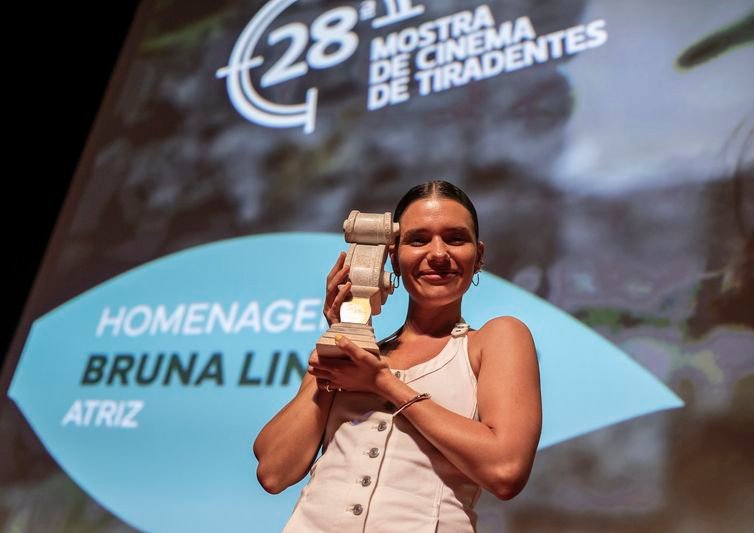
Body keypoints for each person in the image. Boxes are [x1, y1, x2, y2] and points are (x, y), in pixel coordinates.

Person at [253, 180, 542, 532]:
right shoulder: (359, 352)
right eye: (419, 240)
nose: (438, 254)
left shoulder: (495, 339)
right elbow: (273, 471)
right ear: (392, 256)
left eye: (454, 238)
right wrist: (340, 334)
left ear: (478, 255)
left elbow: (505, 471)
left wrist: (383, 384)